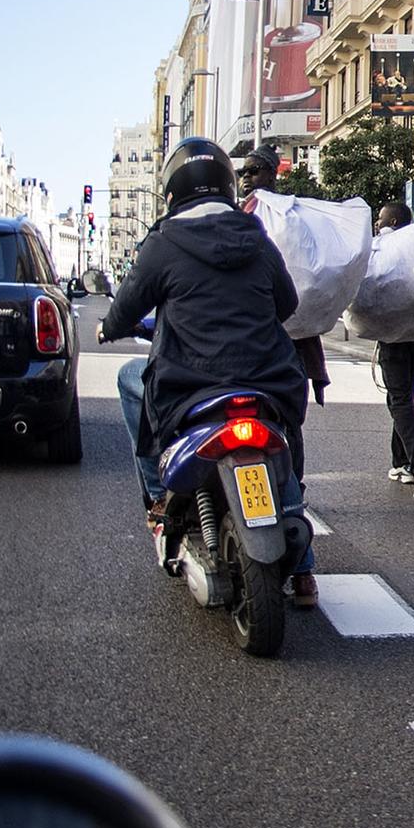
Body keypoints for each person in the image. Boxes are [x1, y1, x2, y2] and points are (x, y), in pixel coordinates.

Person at [105, 138, 320, 607]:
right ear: (225, 183)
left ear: (172, 191)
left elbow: (124, 310)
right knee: (284, 440)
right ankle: (304, 571)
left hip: (190, 382)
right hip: (267, 379)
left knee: (127, 378)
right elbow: (287, 304)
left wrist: (108, 328)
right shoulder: (256, 237)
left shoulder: (163, 243)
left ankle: (161, 498)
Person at [239, 147, 330, 408]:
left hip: (289, 336)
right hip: (251, 334)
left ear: (271, 175)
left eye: (254, 171)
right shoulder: (238, 212)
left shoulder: (287, 213)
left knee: (289, 413)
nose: (246, 177)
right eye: (243, 172)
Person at [372, 202, 414, 499]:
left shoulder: (389, 248)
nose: (377, 223)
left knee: (398, 400)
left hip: (394, 336)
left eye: (381, 218)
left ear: (394, 220)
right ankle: (401, 463)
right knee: (404, 399)